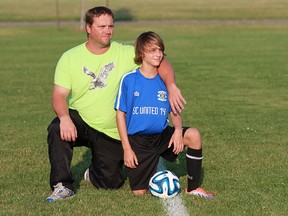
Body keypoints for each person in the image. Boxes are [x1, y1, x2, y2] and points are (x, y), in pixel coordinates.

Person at [46, 7, 186, 202]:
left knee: (110, 182)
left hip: (112, 131)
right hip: (82, 120)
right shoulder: (70, 57)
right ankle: (62, 185)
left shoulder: (125, 52)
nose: (107, 30)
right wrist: (64, 117)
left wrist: (171, 86)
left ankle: (92, 173)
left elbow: (161, 63)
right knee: (56, 127)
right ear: (88, 28)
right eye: (101, 26)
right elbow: (59, 96)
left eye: (110, 26)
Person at [115, 31, 215, 198]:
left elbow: (174, 109)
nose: (158, 54)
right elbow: (120, 115)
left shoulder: (165, 81)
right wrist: (127, 148)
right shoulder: (129, 80)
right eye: (152, 50)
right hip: (139, 142)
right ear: (141, 53)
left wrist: (177, 130)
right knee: (139, 193)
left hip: (162, 136)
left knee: (193, 135)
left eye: (160, 50)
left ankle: (193, 187)